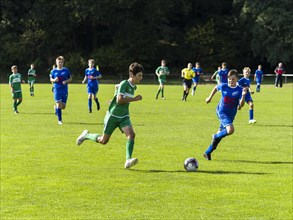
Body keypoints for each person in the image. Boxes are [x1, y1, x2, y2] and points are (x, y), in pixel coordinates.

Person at [76, 62, 144, 169]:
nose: (141, 77)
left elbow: (116, 88)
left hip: (124, 117)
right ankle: (86, 136)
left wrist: (113, 97)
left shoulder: (133, 86)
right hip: (113, 116)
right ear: (132, 75)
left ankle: (128, 160)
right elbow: (120, 100)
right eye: (139, 75)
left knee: (131, 135)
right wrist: (134, 99)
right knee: (103, 141)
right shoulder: (125, 84)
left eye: (141, 75)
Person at [203, 69, 247, 160]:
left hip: (231, 115)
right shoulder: (224, 86)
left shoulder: (239, 90)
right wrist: (209, 98)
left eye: (233, 79)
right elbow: (216, 87)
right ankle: (214, 136)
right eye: (229, 79)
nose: (231, 81)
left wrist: (243, 96)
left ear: (237, 79)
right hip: (221, 112)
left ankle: (207, 152)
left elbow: (241, 106)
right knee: (230, 129)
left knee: (220, 136)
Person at [50, 56, 72, 124]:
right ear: (56, 62)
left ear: (63, 63)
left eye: (61, 62)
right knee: (59, 104)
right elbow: (51, 79)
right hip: (57, 89)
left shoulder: (66, 70)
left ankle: (55, 108)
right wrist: (54, 80)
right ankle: (60, 120)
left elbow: (70, 78)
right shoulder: (53, 71)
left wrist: (66, 81)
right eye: (59, 62)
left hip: (64, 90)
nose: (60, 63)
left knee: (63, 107)